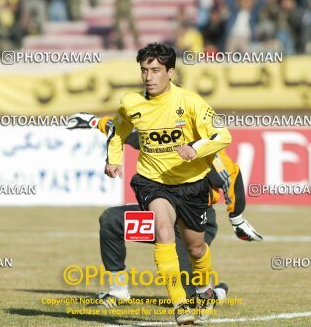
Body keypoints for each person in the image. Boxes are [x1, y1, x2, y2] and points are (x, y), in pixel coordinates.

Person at [67, 112, 263, 310]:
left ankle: (215, 292)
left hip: (192, 221)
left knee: (190, 299)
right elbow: (122, 129)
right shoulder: (155, 138)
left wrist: (236, 218)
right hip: (160, 217)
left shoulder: (206, 149)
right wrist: (92, 121)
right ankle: (118, 291)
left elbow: (230, 176)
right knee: (112, 220)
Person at [105, 43, 232, 324]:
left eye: (155, 70)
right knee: (163, 228)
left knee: (195, 248)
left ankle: (205, 289)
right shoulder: (130, 103)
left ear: (170, 72)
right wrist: (114, 158)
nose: (148, 77)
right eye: (144, 70)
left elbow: (223, 136)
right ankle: (180, 305)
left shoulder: (191, 102)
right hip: (152, 182)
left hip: (191, 185)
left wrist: (195, 149)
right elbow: (117, 131)